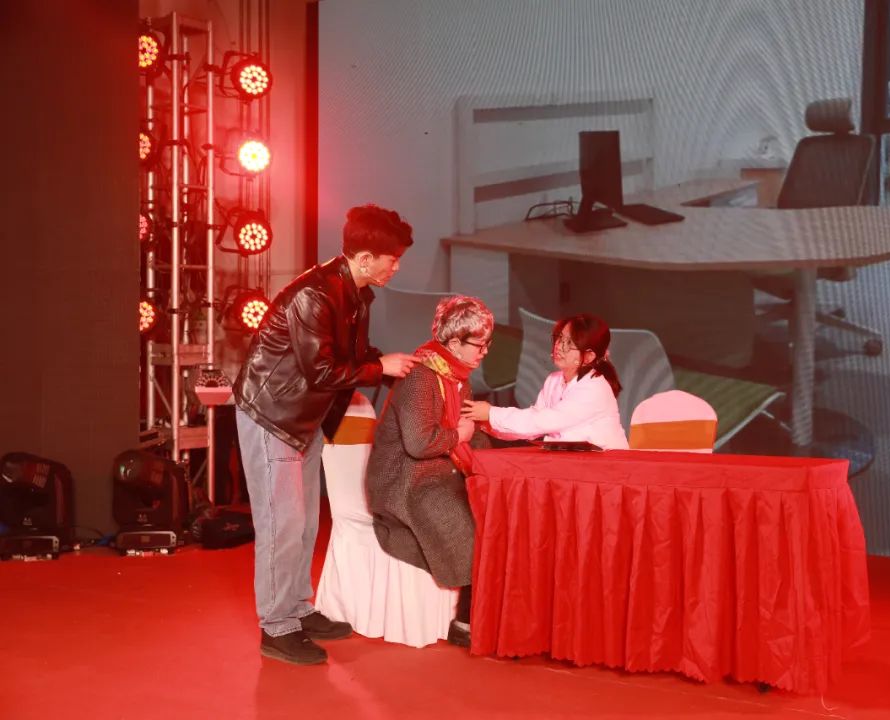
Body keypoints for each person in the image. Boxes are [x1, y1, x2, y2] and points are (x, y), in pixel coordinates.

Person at [233, 204, 420, 666]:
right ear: (365, 258)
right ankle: (277, 627)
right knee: (282, 524)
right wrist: (380, 368)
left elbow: (351, 355)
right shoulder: (315, 294)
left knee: (305, 524)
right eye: (393, 259)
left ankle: (298, 608)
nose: (396, 267)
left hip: (304, 417)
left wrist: (391, 364)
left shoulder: (356, 293)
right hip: (272, 415)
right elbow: (320, 370)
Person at [365, 295, 494, 649]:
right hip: (405, 479)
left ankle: (480, 611)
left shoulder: (458, 377)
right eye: (479, 344)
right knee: (465, 519)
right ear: (454, 342)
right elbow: (419, 443)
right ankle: (466, 622)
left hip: (436, 471)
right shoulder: (421, 376)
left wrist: (491, 464)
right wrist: (460, 436)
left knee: (491, 505)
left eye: (487, 343)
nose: (485, 351)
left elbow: (469, 430)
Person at [463, 313, 628, 450]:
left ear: (589, 357)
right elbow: (531, 427)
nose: (559, 347)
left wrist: (492, 414)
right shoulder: (554, 380)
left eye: (569, 344)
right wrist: (485, 422)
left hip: (608, 467)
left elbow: (542, 422)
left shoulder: (594, 388)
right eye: (560, 338)